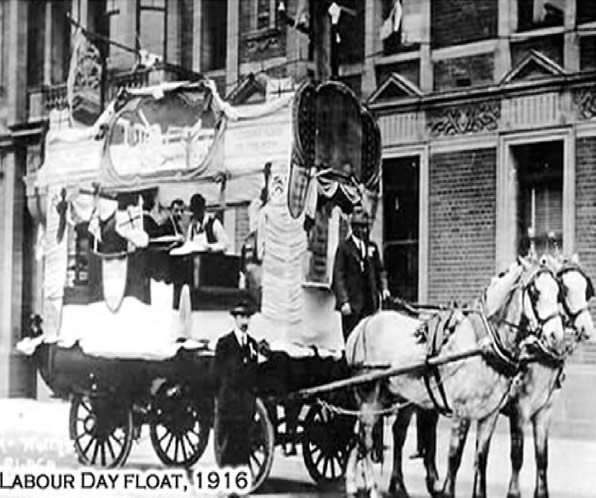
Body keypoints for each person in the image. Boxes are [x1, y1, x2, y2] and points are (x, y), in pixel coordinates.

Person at [213, 300, 259, 469]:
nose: (244, 321)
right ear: (235, 319)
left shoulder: (252, 345)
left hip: (246, 406)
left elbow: (254, 375)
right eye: (241, 317)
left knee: (244, 447)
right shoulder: (224, 344)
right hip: (230, 405)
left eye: (247, 317)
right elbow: (216, 375)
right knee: (229, 446)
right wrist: (222, 400)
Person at [332, 206, 390, 340]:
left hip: (370, 304)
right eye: (361, 227)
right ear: (353, 228)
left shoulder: (372, 247)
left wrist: (384, 288)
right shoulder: (344, 248)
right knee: (352, 339)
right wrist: (344, 302)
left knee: (369, 339)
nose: (365, 230)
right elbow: (338, 276)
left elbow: (380, 270)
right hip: (352, 306)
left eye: (366, 227)